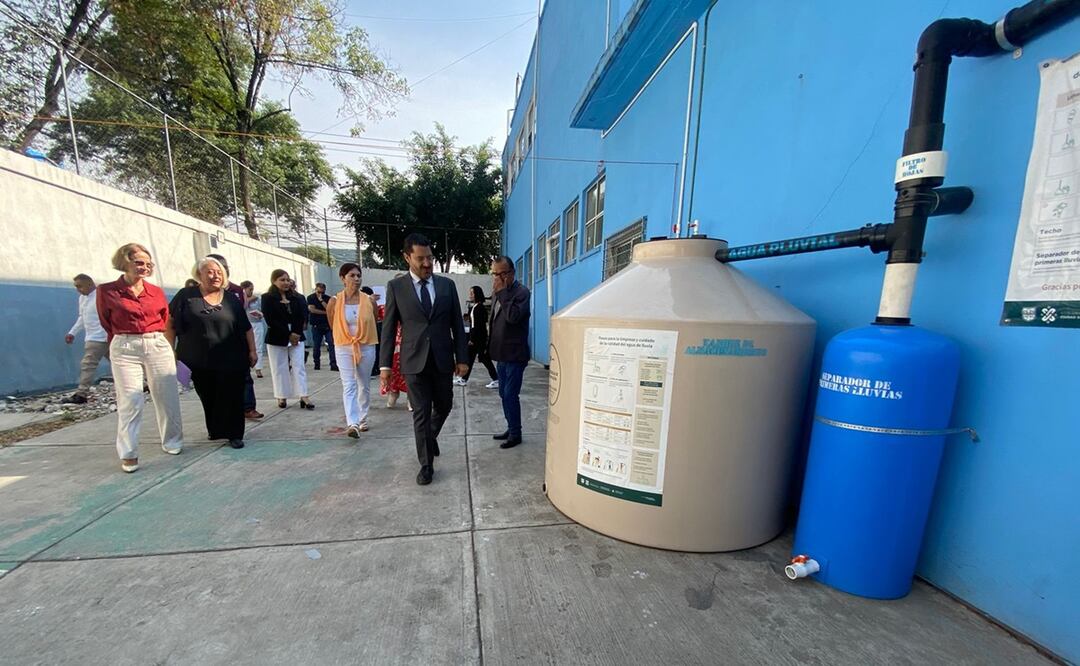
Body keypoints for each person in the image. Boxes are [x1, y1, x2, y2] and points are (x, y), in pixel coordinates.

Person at [379, 234, 468, 485]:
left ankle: (430, 437)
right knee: (421, 412)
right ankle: (426, 465)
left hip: (442, 359)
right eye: (421, 259)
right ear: (407, 257)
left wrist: (462, 358)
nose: (427, 263)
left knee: (445, 405)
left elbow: (457, 325)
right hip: (413, 361)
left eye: (430, 257)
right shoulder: (396, 287)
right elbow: (388, 328)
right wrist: (385, 365)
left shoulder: (446, 286)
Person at [96, 243, 183, 472]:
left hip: (156, 341)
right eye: (138, 262)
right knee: (130, 400)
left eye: (147, 263)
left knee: (166, 395)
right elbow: (106, 321)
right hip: (125, 344)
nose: (144, 267)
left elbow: (164, 317)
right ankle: (129, 453)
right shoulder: (107, 291)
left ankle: (172, 440)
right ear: (125, 263)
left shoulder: (156, 291)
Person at [168, 257, 256, 449]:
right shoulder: (186, 296)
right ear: (199, 274)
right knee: (208, 395)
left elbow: (246, 327)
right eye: (210, 271)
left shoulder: (231, 298)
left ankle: (235, 434)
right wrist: (170, 349)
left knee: (233, 394)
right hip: (197, 357)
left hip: (232, 356)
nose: (215, 276)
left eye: (219, 272)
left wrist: (252, 350)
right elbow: (171, 323)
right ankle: (216, 429)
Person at [327, 263, 379, 438]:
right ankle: (353, 423)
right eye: (352, 275)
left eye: (358, 275)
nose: (356, 279)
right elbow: (332, 323)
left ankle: (362, 418)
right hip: (343, 346)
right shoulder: (335, 301)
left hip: (366, 345)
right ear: (343, 278)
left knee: (364, 384)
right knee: (348, 384)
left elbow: (374, 320)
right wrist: (345, 338)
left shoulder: (369, 300)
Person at [208, 253, 262, 420]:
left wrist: (252, 349)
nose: (221, 271)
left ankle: (248, 407)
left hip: (237, 343)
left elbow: (243, 321)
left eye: (224, 267)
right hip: (212, 346)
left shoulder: (236, 291)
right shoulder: (195, 293)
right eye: (214, 269)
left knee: (244, 377)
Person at [488, 255, 532, 449]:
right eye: (494, 274)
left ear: (512, 273)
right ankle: (511, 426)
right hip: (502, 354)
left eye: (501, 274)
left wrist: (502, 293)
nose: (497, 278)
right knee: (503, 394)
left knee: (510, 395)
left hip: (515, 354)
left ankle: (516, 434)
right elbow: (494, 321)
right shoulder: (498, 293)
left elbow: (513, 317)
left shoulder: (521, 292)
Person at [262, 269, 313, 409]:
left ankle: (303, 395)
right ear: (274, 281)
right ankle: (281, 396)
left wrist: (296, 333)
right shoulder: (267, 298)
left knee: (299, 366)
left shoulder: (296, 297)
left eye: (287, 279)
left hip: (297, 335)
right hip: (277, 336)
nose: (286, 282)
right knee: (279, 367)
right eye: (282, 280)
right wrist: (288, 334)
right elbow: (270, 319)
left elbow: (301, 316)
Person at [63, 274, 109, 404]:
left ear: (89, 284)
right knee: (121, 362)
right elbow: (82, 317)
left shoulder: (102, 296)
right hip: (94, 336)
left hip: (102, 336)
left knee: (88, 365)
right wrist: (72, 333)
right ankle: (144, 384)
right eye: (76, 287)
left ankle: (81, 394)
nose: (78, 290)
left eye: (80, 286)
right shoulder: (83, 299)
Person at [455, 285, 499, 388]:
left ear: (477, 294)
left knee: (484, 358)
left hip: (478, 339)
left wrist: (472, 339)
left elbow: (476, 326)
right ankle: (463, 379)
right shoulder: (476, 307)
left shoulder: (478, 308)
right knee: (471, 358)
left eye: (472, 293)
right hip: (478, 338)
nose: (470, 295)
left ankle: (496, 379)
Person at [379, 275, 409, 409]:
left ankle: (411, 398)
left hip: (409, 343)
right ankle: (393, 393)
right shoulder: (385, 306)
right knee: (393, 370)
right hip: (394, 344)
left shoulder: (414, 303)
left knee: (409, 371)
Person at [307, 282, 338, 371]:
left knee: (331, 345)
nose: (320, 294)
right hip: (316, 325)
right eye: (318, 292)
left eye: (322, 292)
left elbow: (330, 309)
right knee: (316, 345)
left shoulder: (328, 298)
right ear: (315, 290)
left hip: (327, 325)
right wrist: (326, 313)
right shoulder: (311, 297)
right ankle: (317, 364)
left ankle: (333, 364)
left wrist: (321, 301)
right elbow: (312, 310)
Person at [241, 280, 266, 378]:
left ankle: (258, 368)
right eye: (250, 289)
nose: (251, 291)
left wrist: (260, 314)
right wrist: (248, 299)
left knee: (258, 346)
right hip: (247, 325)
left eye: (252, 289)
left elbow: (262, 310)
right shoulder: (241, 298)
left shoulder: (257, 298)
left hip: (257, 323)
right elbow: (243, 307)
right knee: (246, 346)